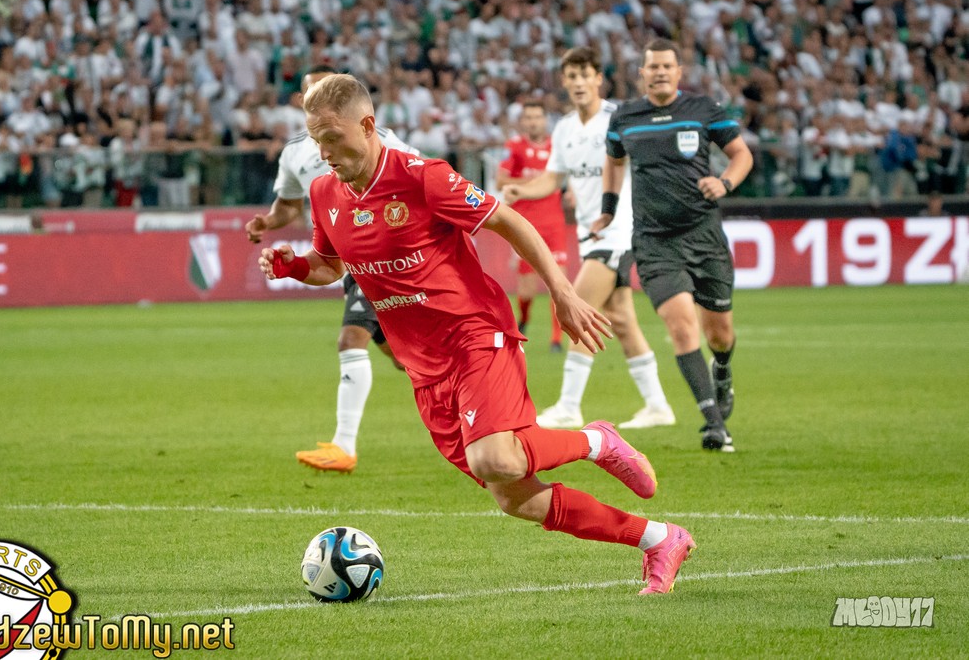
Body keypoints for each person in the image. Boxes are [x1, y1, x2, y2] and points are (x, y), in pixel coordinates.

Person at [259, 73, 696, 594]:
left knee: (494, 457)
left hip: (475, 335)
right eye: (316, 139)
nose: (324, 152)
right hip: (424, 368)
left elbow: (508, 221)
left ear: (368, 125)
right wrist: (292, 266)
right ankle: (659, 539)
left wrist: (561, 292)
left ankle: (596, 441)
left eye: (333, 137)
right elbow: (330, 264)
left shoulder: (423, 178)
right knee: (516, 497)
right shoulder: (323, 192)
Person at [245, 65, 418, 474]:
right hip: (345, 255)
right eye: (313, 92)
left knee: (350, 339)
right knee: (404, 358)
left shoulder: (380, 138)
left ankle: (344, 446)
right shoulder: (296, 152)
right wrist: (267, 221)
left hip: (383, 256)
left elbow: (419, 180)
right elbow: (289, 204)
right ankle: (466, 396)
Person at [502, 48, 675, 432]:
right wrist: (520, 190)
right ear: (564, 82)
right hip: (588, 235)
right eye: (572, 76)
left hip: (619, 230)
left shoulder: (619, 119)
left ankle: (568, 406)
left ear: (598, 79)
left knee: (577, 308)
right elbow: (553, 179)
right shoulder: (564, 128)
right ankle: (658, 406)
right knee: (622, 320)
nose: (579, 83)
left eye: (585, 75)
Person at [595, 38, 754, 452]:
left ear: (679, 72)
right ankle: (714, 425)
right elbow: (613, 161)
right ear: (642, 73)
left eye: (667, 66)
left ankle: (722, 368)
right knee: (682, 326)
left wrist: (724, 182)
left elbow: (741, 155)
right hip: (654, 242)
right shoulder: (625, 117)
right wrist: (608, 210)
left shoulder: (703, 110)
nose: (660, 72)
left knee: (720, 334)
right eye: (653, 66)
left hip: (704, 235)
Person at [495, 99, 569, 353]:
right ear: (522, 121)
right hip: (525, 224)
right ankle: (524, 318)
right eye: (529, 118)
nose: (533, 122)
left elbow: (567, 174)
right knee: (527, 290)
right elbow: (501, 180)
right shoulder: (514, 147)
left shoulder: (556, 147)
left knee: (558, 282)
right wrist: (537, 183)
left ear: (545, 120)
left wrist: (573, 192)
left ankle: (556, 339)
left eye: (537, 117)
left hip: (554, 224)